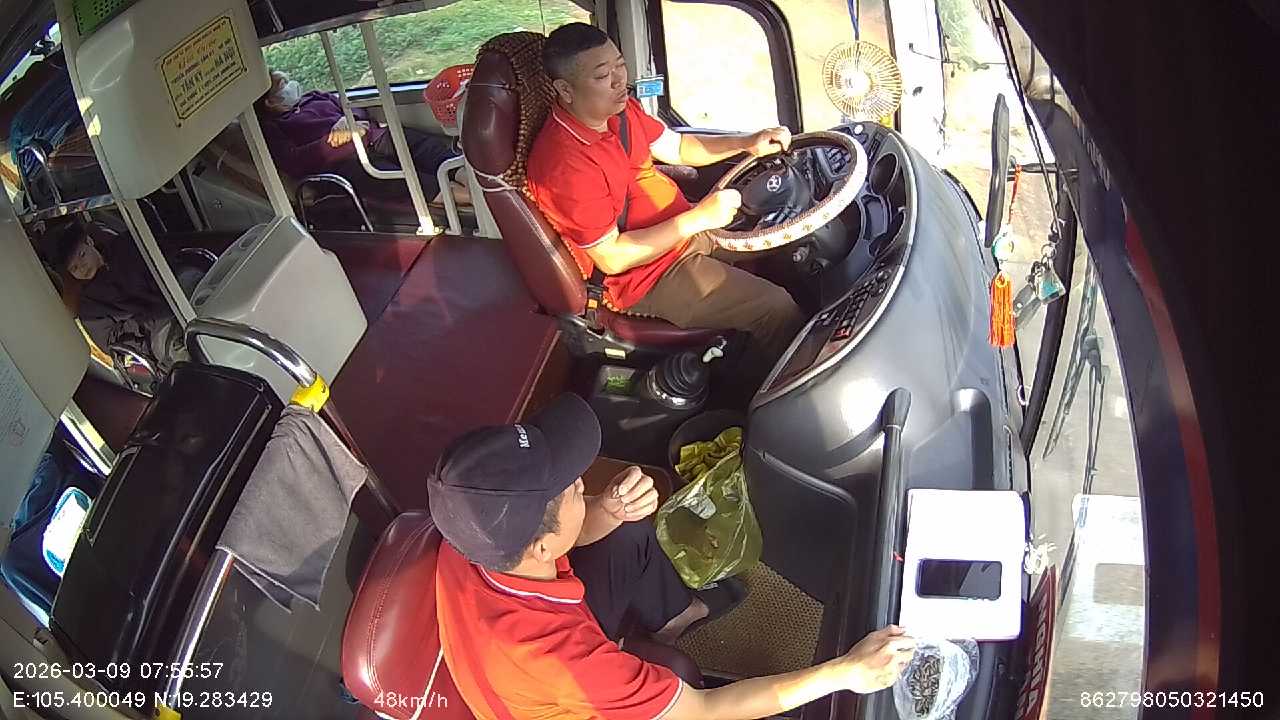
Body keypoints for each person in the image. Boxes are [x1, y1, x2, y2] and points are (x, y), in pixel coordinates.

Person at [429, 392, 915, 720]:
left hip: (524, 643)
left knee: (626, 532)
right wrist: (845, 671)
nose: (582, 481)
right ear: (540, 546)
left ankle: (676, 617)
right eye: (574, 488)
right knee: (684, 684)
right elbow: (704, 710)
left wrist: (607, 510)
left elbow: (560, 539)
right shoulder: (568, 661)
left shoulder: (472, 527)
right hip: (561, 688)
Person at [526, 24, 807, 384]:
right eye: (602, 75)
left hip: (684, 231)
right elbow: (612, 257)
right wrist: (699, 218)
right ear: (565, 90)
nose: (620, 81)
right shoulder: (564, 166)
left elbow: (676, 147)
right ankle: (773, 396)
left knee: (791, 238)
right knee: (776, 308)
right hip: (648, 276)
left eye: (620, 66)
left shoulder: (619, 111)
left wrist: (746, 142)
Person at [255, 70, 468, 205]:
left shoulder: (314, 97)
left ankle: (470, 180)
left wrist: (348, 119)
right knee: (399, 180)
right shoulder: (274, 127)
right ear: (270, 102)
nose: (291, 86)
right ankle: (471, 199)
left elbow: (353, 107)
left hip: (373, 136)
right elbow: (293, 161)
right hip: (343, 162)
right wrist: (334, 140)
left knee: (423, 146)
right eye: (283, 86)